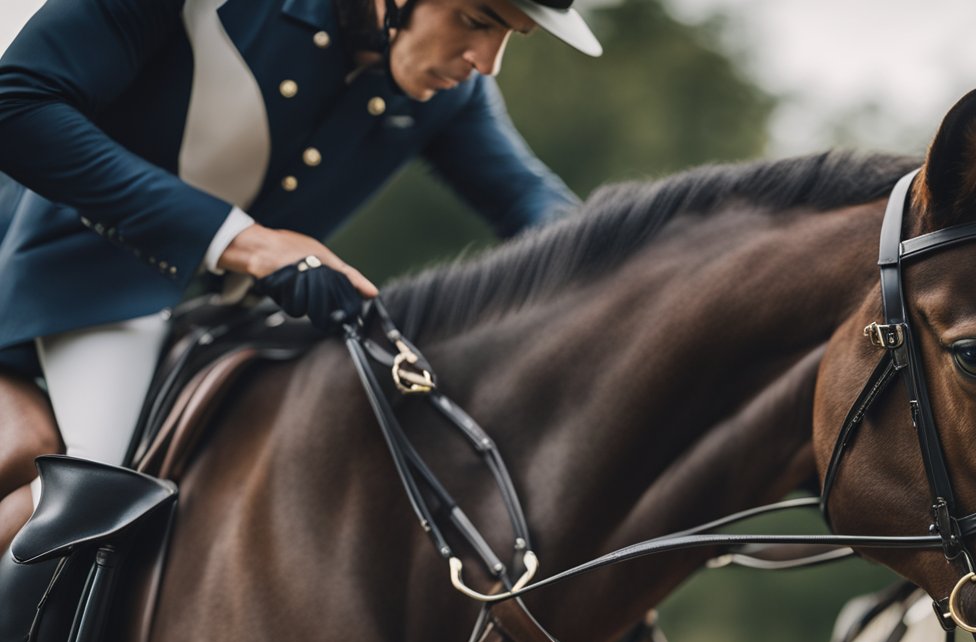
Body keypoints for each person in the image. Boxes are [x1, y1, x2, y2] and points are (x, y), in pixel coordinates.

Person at [0, 0, 601, 473]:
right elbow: (15, 102)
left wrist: (625, 271)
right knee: (95, 485)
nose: (487, 62)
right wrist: (250, 244)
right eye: (475, 20)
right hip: (58, 276)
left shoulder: (450, 94)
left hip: (207, 326)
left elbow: (528, 198)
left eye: (510, 37)